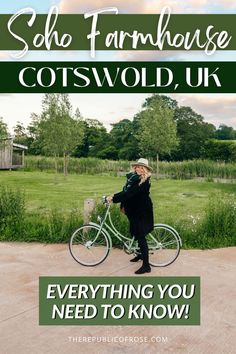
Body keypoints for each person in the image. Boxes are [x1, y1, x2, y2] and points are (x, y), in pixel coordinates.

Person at [107, 158, 154, 274]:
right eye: (137, 166)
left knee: (140, 235)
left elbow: (129, 194)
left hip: (142, 212)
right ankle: (139, 254)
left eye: (141, 167)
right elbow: (126, 192)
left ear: (145, 170)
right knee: (135, 233)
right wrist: (113, 195)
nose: (138, 168)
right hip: (134, 210)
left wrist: (113, 198)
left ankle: (146, 266)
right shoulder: (133, 179)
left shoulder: (144, 181)